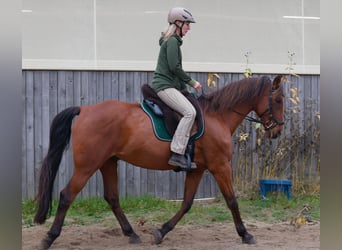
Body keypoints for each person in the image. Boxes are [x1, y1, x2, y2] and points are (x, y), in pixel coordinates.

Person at [152, 7, 202, 169]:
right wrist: (192, 82)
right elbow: (174, 68)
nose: (189, 28)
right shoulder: (173, 41)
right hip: (164, 86)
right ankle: (177, 153)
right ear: (178, 23)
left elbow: (173, 71)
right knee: (190, 112)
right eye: (187, 24)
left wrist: (185, 89)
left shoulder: (172, 42)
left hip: (169, 85)